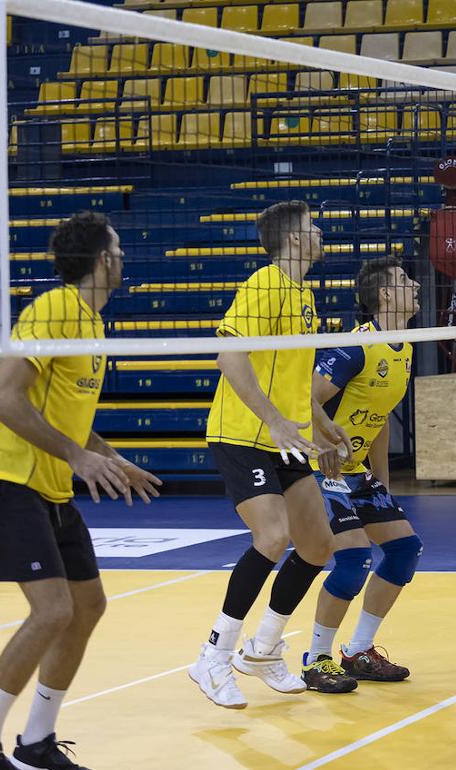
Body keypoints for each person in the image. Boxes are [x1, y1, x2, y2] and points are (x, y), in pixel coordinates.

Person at [0, 211, 161, 770]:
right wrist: (76, 456)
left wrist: (112, 458)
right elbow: (1, 399)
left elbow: (70, 415)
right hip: (4, 477)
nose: (124, 258)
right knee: (52, 611)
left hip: (48, 486)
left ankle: (36, 743)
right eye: (118, 249)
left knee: (87, 606)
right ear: (103, 260)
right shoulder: (53, 311)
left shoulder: (94, 323)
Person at [188, 200, 355, 708]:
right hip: (244, 434)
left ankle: (262, 650)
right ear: (295, 239)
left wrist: (322, 427)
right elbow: (229, 356)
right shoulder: (264, 284)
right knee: (273, 536)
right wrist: (274, 421)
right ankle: (213, 657)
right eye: (313, 227)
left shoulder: (303, 293)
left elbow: (296, 379)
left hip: (288, 440)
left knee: (317, 546)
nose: (321, 231)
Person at [301, 256, 422, 690]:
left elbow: (381, 417)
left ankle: (357, 652)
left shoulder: (405, 345)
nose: (416, 286)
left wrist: (382, 481)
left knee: (405, 548)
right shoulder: (355, 345)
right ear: (386, 294)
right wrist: (324, 446)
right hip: (321, 469)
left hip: (356, 471)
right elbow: (306, 400)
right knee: (353, 560)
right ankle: (315, 659)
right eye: (406, 280)